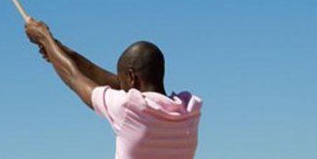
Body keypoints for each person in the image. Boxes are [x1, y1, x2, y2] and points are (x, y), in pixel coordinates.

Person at [25, 17, 203, 158]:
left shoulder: (129, 108)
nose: (121, 88)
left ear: (131, 77)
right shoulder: (189, 110)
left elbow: (74, 77)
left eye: (123, 80)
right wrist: (57, 49)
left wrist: (44, 37)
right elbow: (105, 79)